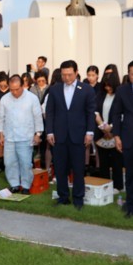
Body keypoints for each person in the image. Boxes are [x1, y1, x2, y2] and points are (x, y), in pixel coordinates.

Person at [46, 60, 96, 210]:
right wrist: (49, 131)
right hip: (59, 136)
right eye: (64, 75)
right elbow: (50, 112)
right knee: (60, 168)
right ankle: (63, 197)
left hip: (78, 135)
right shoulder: (55, 89)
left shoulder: (86, 89)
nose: (67, 78)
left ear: (76, 72)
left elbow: (90, 113)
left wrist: (89, 132)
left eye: (69, 74)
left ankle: (78, 198)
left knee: (78, 168)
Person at [0, 75, 44, 194]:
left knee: (25, 162)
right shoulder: (5, 99)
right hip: (9, 136)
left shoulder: (32, 98)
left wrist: (38, 134)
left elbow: (37, 117)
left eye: (17, 89)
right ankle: (14, 184)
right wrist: (1, 135)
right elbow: (1, 118)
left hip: (26, 136)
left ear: (22, 86)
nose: (14, 92)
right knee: (9, 162)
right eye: (11, 89)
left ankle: (26, 185)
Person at [112, 60, 133, 218]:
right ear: (128, 74)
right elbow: (116, 114)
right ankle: (130, 205)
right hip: (128, 138)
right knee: (131, 174)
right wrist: (117, 136)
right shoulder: (122, 91)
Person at [94, 73, 123, 193]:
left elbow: (121, 114)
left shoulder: (120, 95)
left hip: (115, 133)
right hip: (101, 133)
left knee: (116, 161)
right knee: (103, 162)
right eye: (105, 85)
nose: (107, 88)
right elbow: (95, 112)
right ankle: (105, 184)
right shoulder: (101, 95)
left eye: (110, 86)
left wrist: (111, 128)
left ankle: (118, 186)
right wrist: (103, 127)